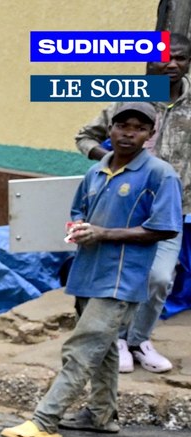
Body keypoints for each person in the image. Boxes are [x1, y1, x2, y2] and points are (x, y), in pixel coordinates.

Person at [1, 103, 182, 437]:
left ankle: (44, 419)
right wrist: (80, 233)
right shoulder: (95, 172)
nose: (129, 133)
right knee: (105, 348)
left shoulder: (159, 174)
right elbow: (78, 214)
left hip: (121, 278)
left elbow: (164, 228)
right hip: (87, 272)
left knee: (82, 347)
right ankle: (101, 415)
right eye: (123, 125)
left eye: (139, 128)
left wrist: (104, 234)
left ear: (149, 135)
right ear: (109, 130)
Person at [73, 33, 190, 374]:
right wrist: (114, 159)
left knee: (158, 278)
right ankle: (118, 340)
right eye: (163, 57)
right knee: (119, 275)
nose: (170, 64)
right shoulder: (128, 99)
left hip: (171, 208)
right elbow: (85, 137)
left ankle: (139, 339)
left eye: (179, 58)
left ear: (188, 62)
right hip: (120, 206)